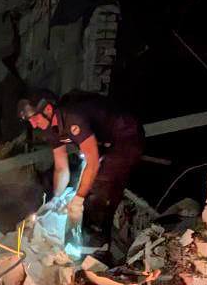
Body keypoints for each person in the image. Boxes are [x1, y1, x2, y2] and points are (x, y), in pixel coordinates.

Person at [18, 88, 145, 249]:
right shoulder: (50, 129)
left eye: (34, 118)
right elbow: (61, 168)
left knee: (99, 189)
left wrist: (78, 199)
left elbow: (93, 163)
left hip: (126, 135)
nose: (33, 124)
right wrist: (56, 198)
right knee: (80, 183)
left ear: (48, 109)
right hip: (104, 143)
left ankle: (97, 248)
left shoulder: (73, 117)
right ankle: (91, 240)